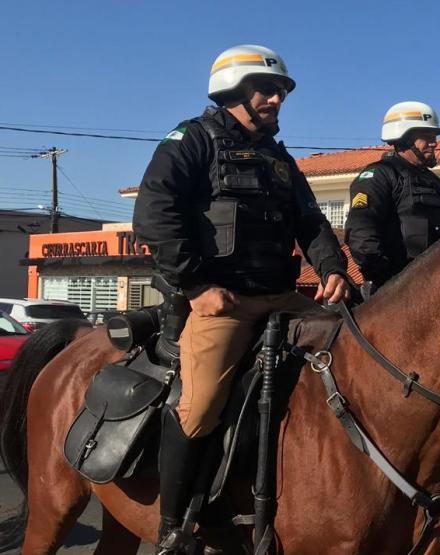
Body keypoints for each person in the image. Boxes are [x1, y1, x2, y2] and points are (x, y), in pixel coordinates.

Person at [133, 44, 349, 554]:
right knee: (201, 405)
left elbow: (311, 221)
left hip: (280, 297)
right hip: (221, 303)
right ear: (234, 91)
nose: (277, 98)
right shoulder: (191, 140)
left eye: (281, 91)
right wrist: (195, 287)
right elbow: (154, 213)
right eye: (267, 89)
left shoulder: (279, 159)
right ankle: (174, 527)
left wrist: (332, 266)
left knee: (356, 353)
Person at [343, 101, 440, 291]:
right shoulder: (379, 176)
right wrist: (389, 282)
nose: (434, 142)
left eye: (434, 136)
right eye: (426, 136)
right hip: (395, 293)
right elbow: (361, 234)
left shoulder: (436, 183)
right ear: (404, 139)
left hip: (437, 286)